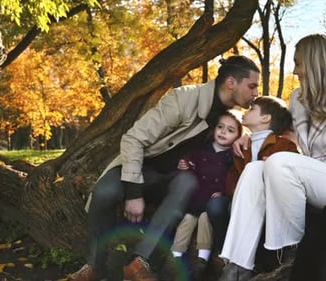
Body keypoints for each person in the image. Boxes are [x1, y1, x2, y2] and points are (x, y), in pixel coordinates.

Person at [68, 55, 260, 281]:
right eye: (252, 86)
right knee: (103, 193)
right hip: (141, 168)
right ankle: (95, 265)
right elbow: (133, 139)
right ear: (231, 83)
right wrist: (134, 193)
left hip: (176, 178)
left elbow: (254, 125)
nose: (255, 92)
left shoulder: (233, 117)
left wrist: (245, 137)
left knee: (187, 182)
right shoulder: (183, 99)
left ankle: (141, 263)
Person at [218, 33, 326, 281]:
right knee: (253, 170)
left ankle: (290, 254)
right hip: (312, 177)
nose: (294, 71)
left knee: (278, 162)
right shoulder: (298, 98)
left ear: (316, 63)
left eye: (298, 63)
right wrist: (248, 136)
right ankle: (237, 266)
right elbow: (283, 129)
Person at [218, 95, 299, 280]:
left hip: (273, 202)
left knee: (256, 169)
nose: (246, 111)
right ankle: (234, 266)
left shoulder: (284, 145)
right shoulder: (241, 146)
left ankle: (236, 267)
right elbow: (233, 178)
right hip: (244, 202)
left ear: (265, 118)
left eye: (252, 109)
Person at [170, 110, 242, 281]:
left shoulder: (233, 157)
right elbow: (190, 161)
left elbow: (235, 180)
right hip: (196, 197)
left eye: (230, 130)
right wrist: (184, 164)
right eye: (221, 127)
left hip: (212, 199)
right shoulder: (202, 150)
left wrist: (224, 193)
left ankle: (202, 259)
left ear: (239, 136)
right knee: (187, 220)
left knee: (205, 220)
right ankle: (175, 256)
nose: (223, 132)